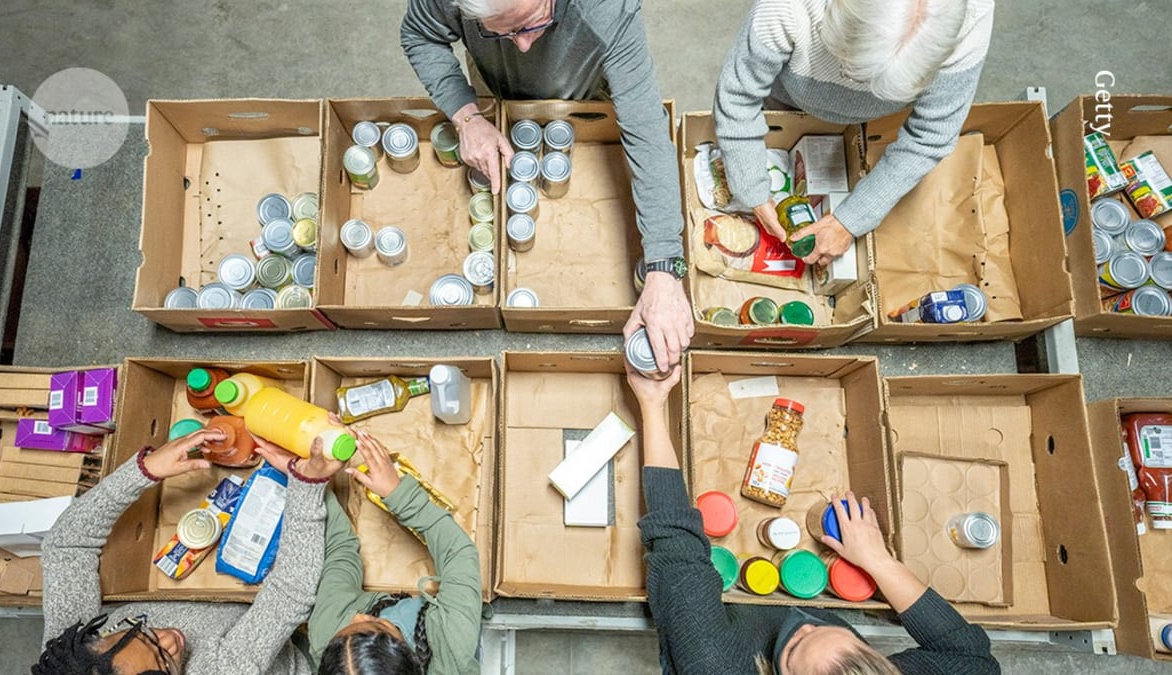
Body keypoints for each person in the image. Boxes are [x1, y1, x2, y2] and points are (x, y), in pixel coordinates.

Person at [628, 367, 1000, 674]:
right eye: (853, 643)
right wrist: (878, 561)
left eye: (795, 650)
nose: (806, 623)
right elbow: (972, 657)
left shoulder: (715, 664)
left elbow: (676, 537)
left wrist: (652, 402)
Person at [401, 0, 693, 370]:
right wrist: (467, 116)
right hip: (492, 80)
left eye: (535, 23)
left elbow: (648, 133)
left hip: (582, 82)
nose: (523, 46)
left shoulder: (608, 10)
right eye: (501, 30)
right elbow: (419, 34)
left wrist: (665, 270)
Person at [33, 428, 345, 675]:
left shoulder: (73, 652)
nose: (171, 638)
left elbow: (65, 548)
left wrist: (144, 472)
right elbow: (289, 594)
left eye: (143, 632)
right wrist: (307, 483)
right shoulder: (222, 671)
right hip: (286, 642)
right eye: (167, 662)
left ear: (96, 641)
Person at [714, 0, 994, 267]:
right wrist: (751, 189)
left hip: (870, 126)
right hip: (783, 96)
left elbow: (930, 136)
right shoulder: (786, 8)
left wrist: (851, 219)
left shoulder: (971, 22)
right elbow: (739, 96)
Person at [308, 429, 483, 674]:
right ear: (410, 656)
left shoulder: (326, 635)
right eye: (375, 623)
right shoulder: (451, 650)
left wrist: (310, 481)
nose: (357, 616)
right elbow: (459, 553)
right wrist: (398, 494)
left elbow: (340, 553)